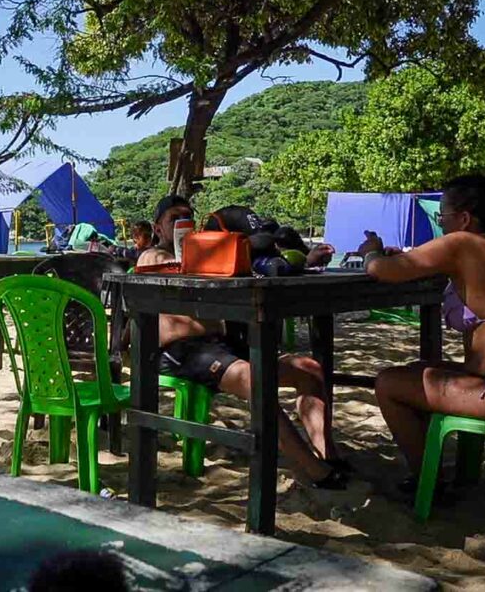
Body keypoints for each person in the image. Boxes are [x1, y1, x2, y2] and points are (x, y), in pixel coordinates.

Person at [137, 195, 348, 488]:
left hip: (220, 347)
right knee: (255, 379)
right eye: (175, 218)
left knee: (309, 368)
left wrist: (297, 260)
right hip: (181, 352)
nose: (183, 222)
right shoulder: (153, 257)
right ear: (158, 228)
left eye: (188, 216)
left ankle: (327, 454)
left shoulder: (203, 254)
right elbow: (166, 268)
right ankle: (314, 469)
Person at [364, 175, 485, 490]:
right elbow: (421, 263)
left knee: (388, 383)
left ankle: (429, 482)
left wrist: (371, 251)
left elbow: (381, 271)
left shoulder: (462, 243)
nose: (441, 224)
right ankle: (448, 472)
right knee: (416, 371)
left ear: (464, 219)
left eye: (442, 217)